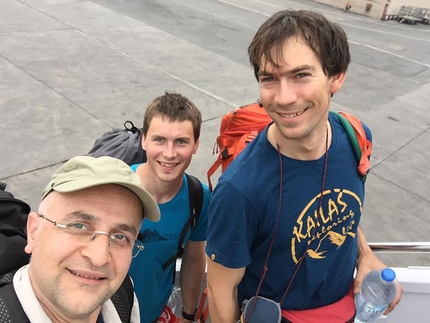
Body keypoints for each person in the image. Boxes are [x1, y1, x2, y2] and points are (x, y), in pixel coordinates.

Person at [205, 9, 402, 323]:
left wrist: (366, 256)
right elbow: (219, 291)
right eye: (269, 79)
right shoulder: (240, 191)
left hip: (343, 311)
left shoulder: (355, 137)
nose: (283, 98)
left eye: (300, 75)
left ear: (335, 76)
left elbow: (340, 211)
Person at [0, 156, 160, 323]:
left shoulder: (123, 293)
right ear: (33, 231)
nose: (99, 258)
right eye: (79, 226)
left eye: (120, 236)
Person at [128, 92, 210, 323]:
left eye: (181, 141)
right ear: (144, 140)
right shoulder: (115, 188)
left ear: (195, 144)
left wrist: (188, 313)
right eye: (159, 140)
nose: (169, 153)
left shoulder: (199, 198)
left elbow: (194, 259)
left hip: (152, 315)